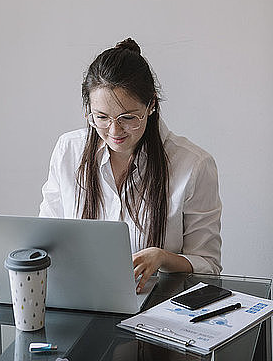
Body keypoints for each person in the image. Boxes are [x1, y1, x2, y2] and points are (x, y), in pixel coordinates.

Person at [39, 38, 222, 291]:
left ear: (151, 105)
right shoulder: (68, 150)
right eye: (101, 117)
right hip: (79, 299)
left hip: (154, 310)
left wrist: (162, 257)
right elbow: (45, 239)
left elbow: (209, 265)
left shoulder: (194, 165)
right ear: (88, 111)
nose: (114, 130)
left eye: (128, 118)